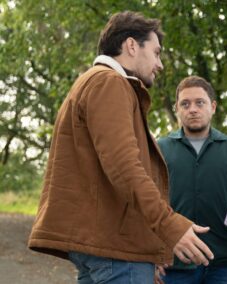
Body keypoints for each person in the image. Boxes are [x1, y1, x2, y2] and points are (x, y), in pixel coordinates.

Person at [28, 11, 214, 284]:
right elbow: (124, 167)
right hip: (116, 250)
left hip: (106, 246)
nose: (159, 64)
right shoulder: (108, 83)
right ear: (130, 46)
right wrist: (168, 226)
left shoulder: (95, 82)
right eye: (156, 52)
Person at [156, 76, 227, 284]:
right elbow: (150, 205)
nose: (193, 109)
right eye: (185, 104)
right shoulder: (161, 150)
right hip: (174, 265)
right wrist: (151, 256)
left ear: (213, 106)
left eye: (200, 102)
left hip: (225, 264)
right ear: (177, 109)